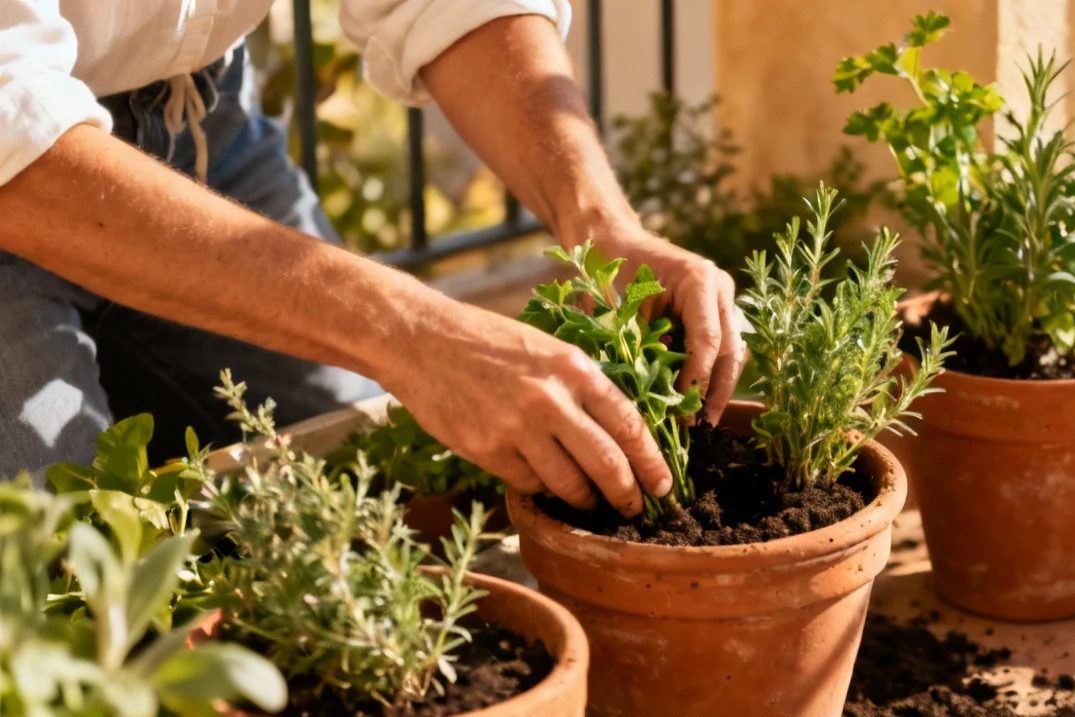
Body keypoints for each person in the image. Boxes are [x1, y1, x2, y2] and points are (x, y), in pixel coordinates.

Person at [0, 0, 743, 518]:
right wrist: (413, 334)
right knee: (69, 591)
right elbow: (15, 136)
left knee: (376, 494)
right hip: (24, 171)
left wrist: (602, 225)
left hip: (198, 120)